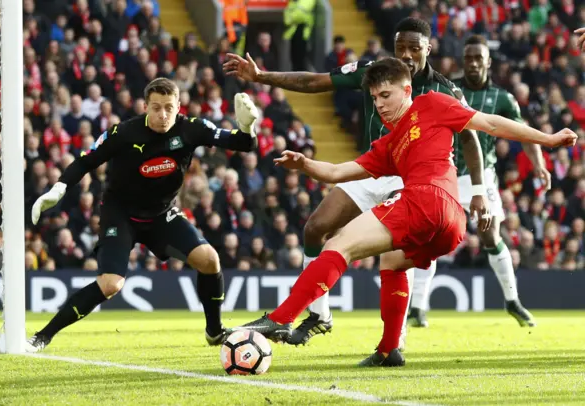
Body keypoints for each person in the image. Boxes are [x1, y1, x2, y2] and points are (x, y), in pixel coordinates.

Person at [229, 58, 576, 367]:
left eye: (387, 96)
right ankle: (389, 349)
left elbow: (490, 124)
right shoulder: (389, 145)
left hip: (428, 201)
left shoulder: (432, 103)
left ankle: (281, 318)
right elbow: (337, 173)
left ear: (407, 89)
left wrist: (547, 140)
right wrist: (306, 164)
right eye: (375, 98)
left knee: (339, 243)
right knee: (393, 263)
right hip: (449, 224)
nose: (380, 105)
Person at [224, 18, 489, 347]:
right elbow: (315, 82)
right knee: (315, 228)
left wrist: (478, 190)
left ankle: (396, 339)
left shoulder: (445, 91)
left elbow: (470, 140)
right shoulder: (372, 71)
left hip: (410, 179)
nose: (406, 55)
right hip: (371, 166)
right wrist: (262, 76)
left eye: (414, 48)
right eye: (400, 48)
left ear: (428, 49)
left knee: (391, 255)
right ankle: (320, 315)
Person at [25, 78, 259, 352]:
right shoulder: (124, 133)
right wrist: (59, 187)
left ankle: (214, 331)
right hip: (120, 215)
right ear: (145, 106)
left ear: (178, 106)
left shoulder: (192, 128)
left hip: (162, 215)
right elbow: (86, 160)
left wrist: (246, 126)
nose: (163, 115)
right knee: (111, 284)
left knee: (209, 260)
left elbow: (243, 144)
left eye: (169, 108)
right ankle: (43, 335)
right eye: (156, 107)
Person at [407, 35, 551, 328]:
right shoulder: (448, 89)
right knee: (431, 238)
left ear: (489, 61)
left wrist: (538, 164)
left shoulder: (502, 98)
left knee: (489, 235)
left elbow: (521, 132)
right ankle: (418, 308)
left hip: (481, 177)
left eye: (478, 58)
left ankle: (513, 301)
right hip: (443, 174)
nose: (472, 63)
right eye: (468, 58)